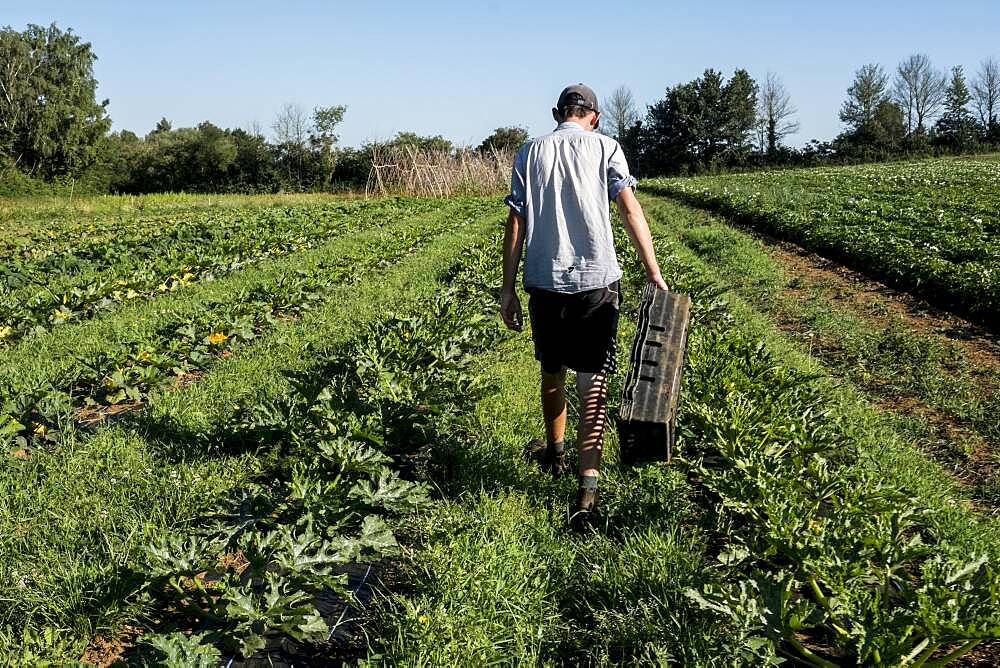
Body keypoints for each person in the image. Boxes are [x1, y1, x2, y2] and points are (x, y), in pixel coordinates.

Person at [500, 83, 668, 526]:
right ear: (593, 116)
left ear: (558, 112)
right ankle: (587, 491)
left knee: (551, 370)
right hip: (597, 282)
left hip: (545, 280)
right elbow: (631, 209)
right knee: (592, 383)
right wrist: (652, 271)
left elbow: (515, 222)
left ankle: (554, 456)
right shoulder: (607, 148)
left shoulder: (528, 151)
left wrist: (507, 287)